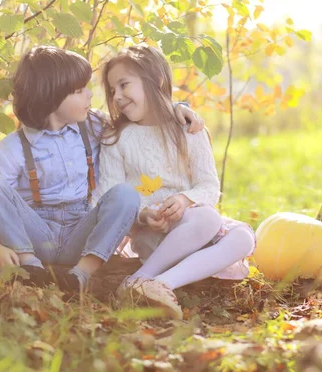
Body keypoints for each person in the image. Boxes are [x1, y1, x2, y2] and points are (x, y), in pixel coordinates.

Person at [0, 45, 204, 292]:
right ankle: (31, 268)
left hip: (82, 233)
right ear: (52, 97)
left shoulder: (94, 124)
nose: (90, 96)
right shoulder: (15, 146)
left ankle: (80, 275)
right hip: (36, 234)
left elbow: (142, 114)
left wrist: (178, 107)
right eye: (80, 91)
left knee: (126, 194)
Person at [98, 45, 256, 318]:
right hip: (153, 233)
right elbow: (110, 195)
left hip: (193, 227)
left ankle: (157, 284)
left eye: (124, 85)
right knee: (208, 219)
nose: (118, 97)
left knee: (243, 238)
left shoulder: (188, 129)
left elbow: (209, 186)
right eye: (113, 91)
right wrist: (144, 215)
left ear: (155, 80)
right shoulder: (116, 138)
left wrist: (184, 200)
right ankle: (141, 277)